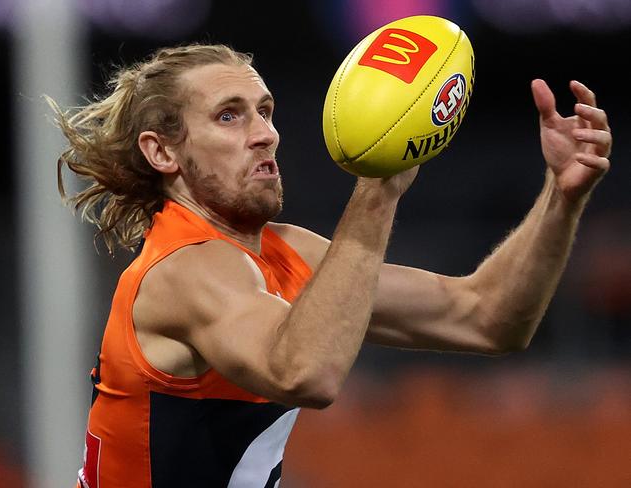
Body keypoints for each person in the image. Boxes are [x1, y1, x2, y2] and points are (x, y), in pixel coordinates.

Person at [49, 43, 612, 488]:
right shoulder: (181, 270)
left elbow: (487, 318)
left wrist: (560, 199)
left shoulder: (286, 251)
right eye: (229, 116)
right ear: (162, 152)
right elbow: (303, 374)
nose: (265, 133)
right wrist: (379, 188)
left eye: (265, 112)